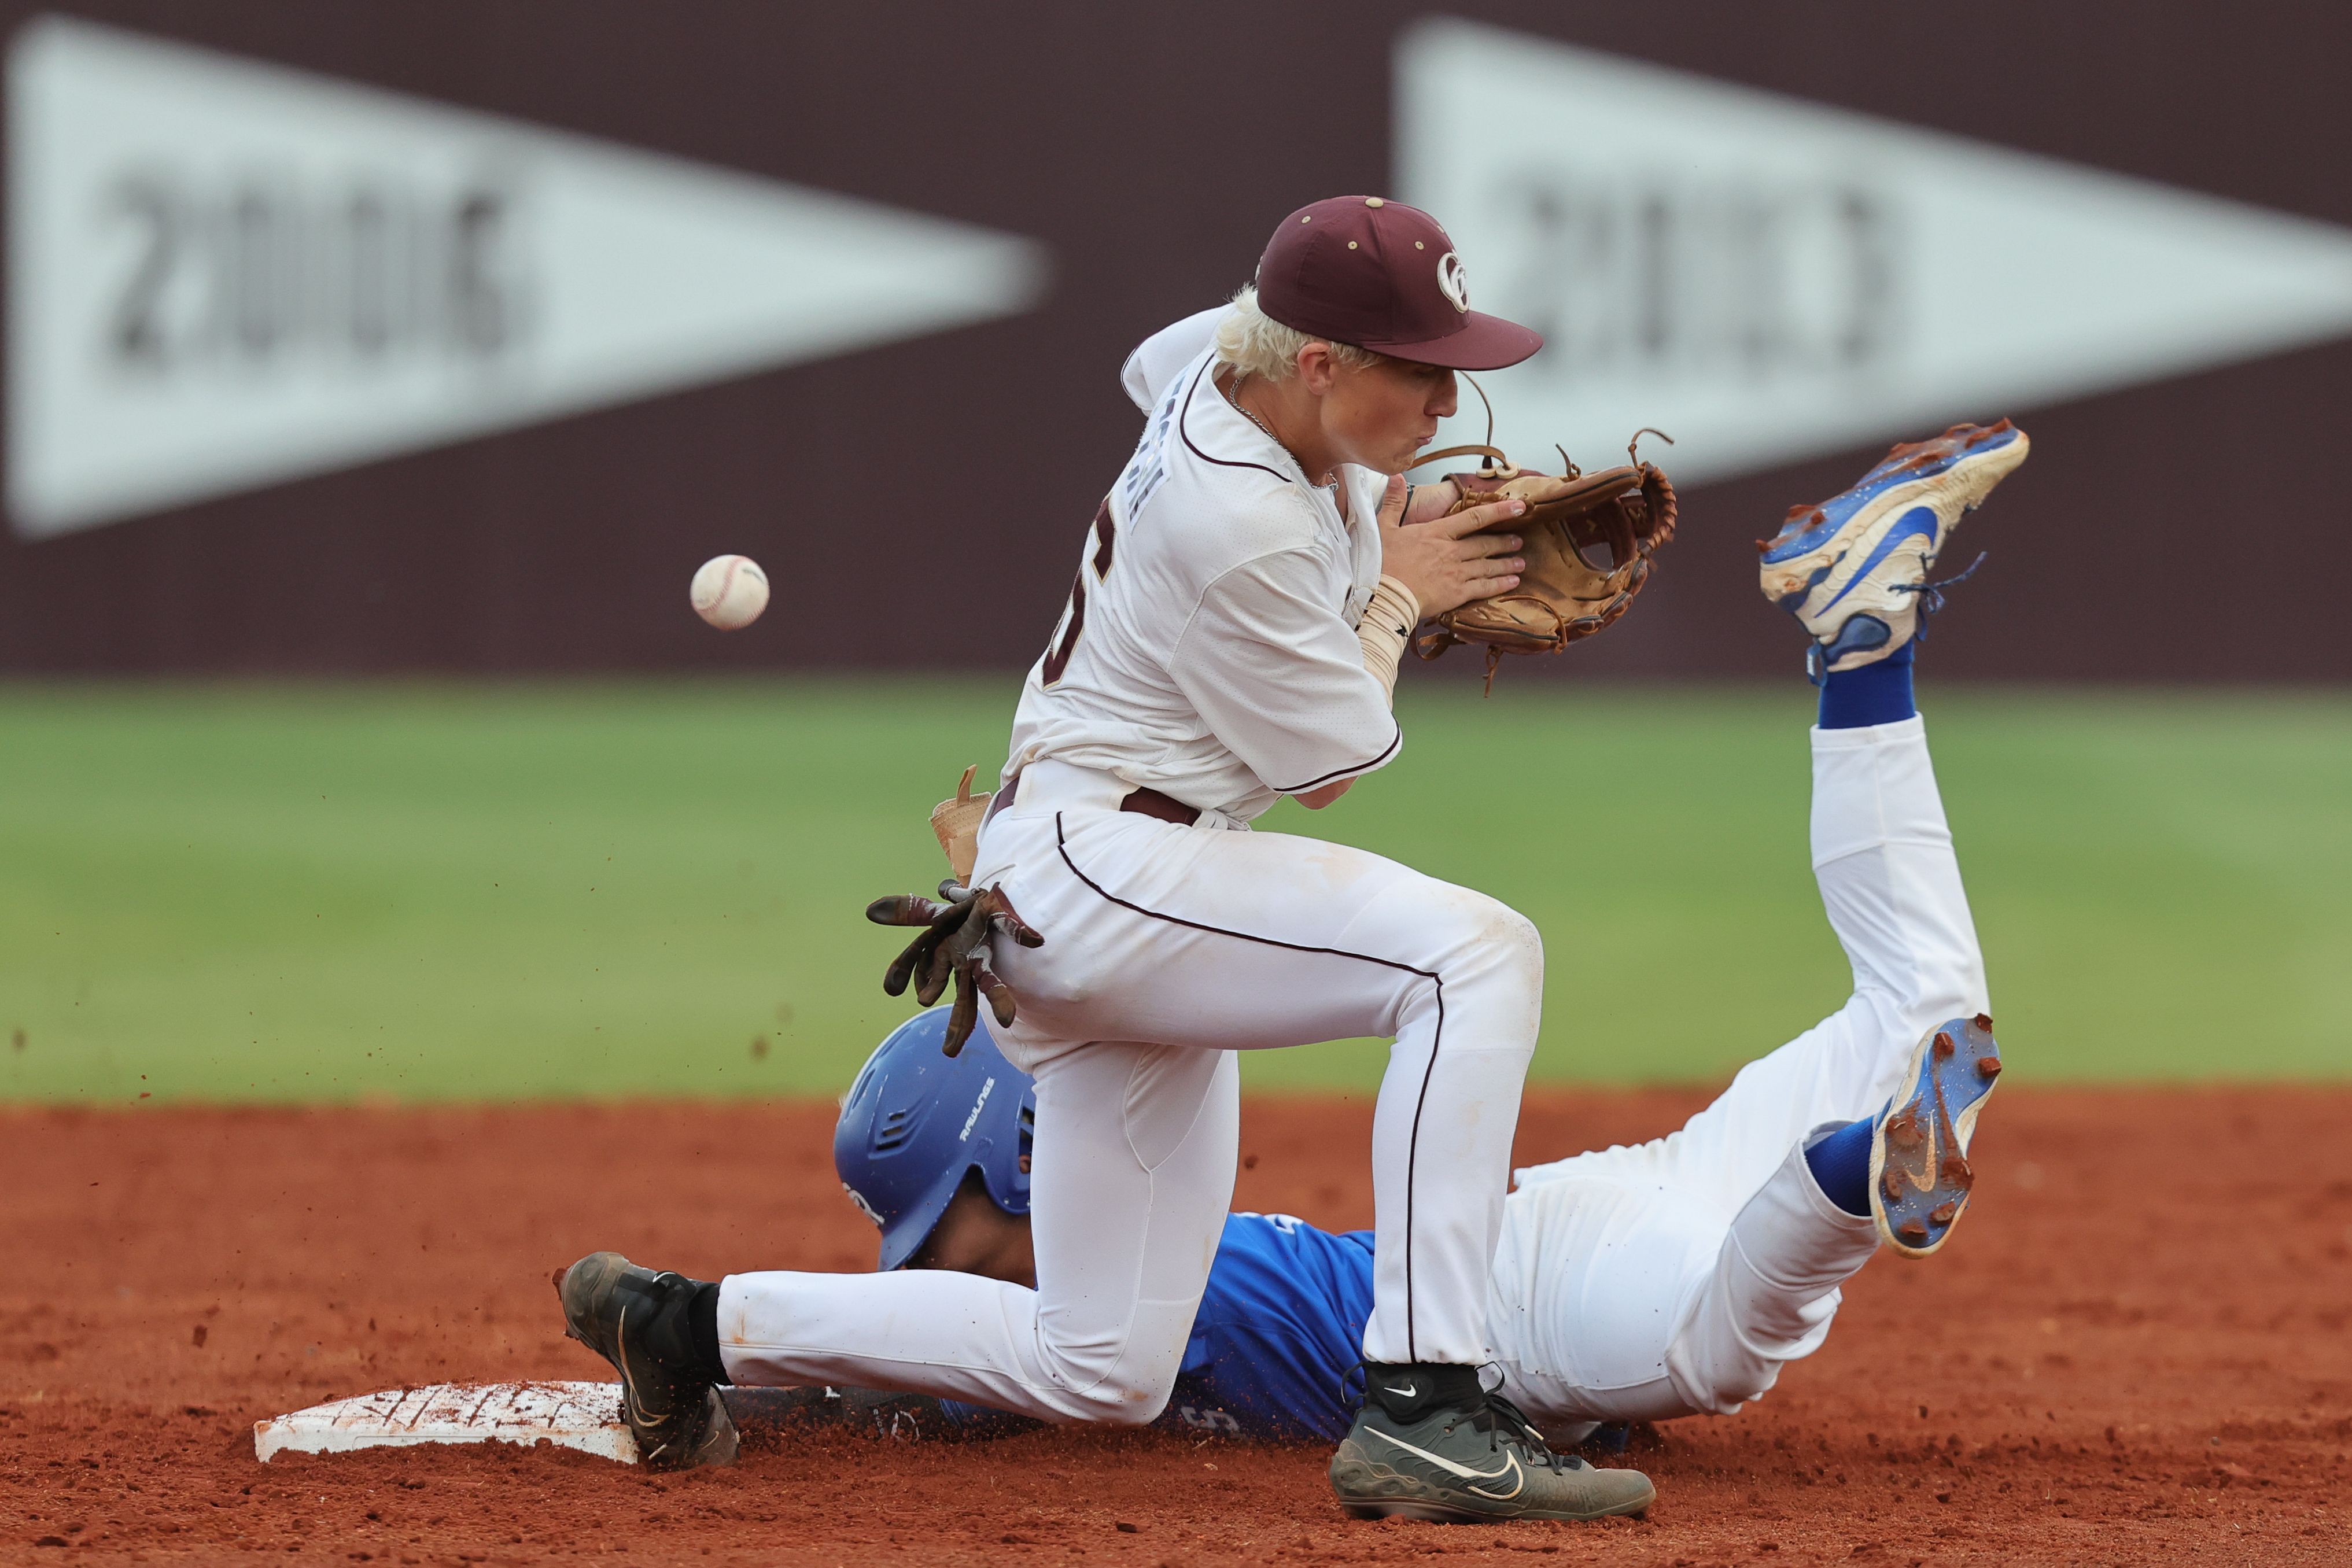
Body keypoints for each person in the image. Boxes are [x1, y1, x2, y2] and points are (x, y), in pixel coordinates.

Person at [556, 195, 1658, 1522]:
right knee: (1472, 959)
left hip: (1079, 888)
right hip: (1114, 877)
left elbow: (1157, 366)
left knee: (1103, 1364)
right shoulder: (1231, 523)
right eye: (1419, 370)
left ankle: (683, 1331)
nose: (1446, 394)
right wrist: (1398, 589)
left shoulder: (1221, 362)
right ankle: (1427, 1403)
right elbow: (1333, 763)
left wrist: (1393, 503)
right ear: (1319, 363)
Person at [721, 420, 2030, 1470]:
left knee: (1714, 1354)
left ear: (1009, 1160)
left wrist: (726, 1343)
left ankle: (1845, 1176)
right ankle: (1862, 646)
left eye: (935, 1234)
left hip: (1548, 1318)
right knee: (1924, 1010)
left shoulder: (1112, 1289)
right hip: (1573, 1219)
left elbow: (933, 1366)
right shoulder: (1137, 1238)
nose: (926, 1269)